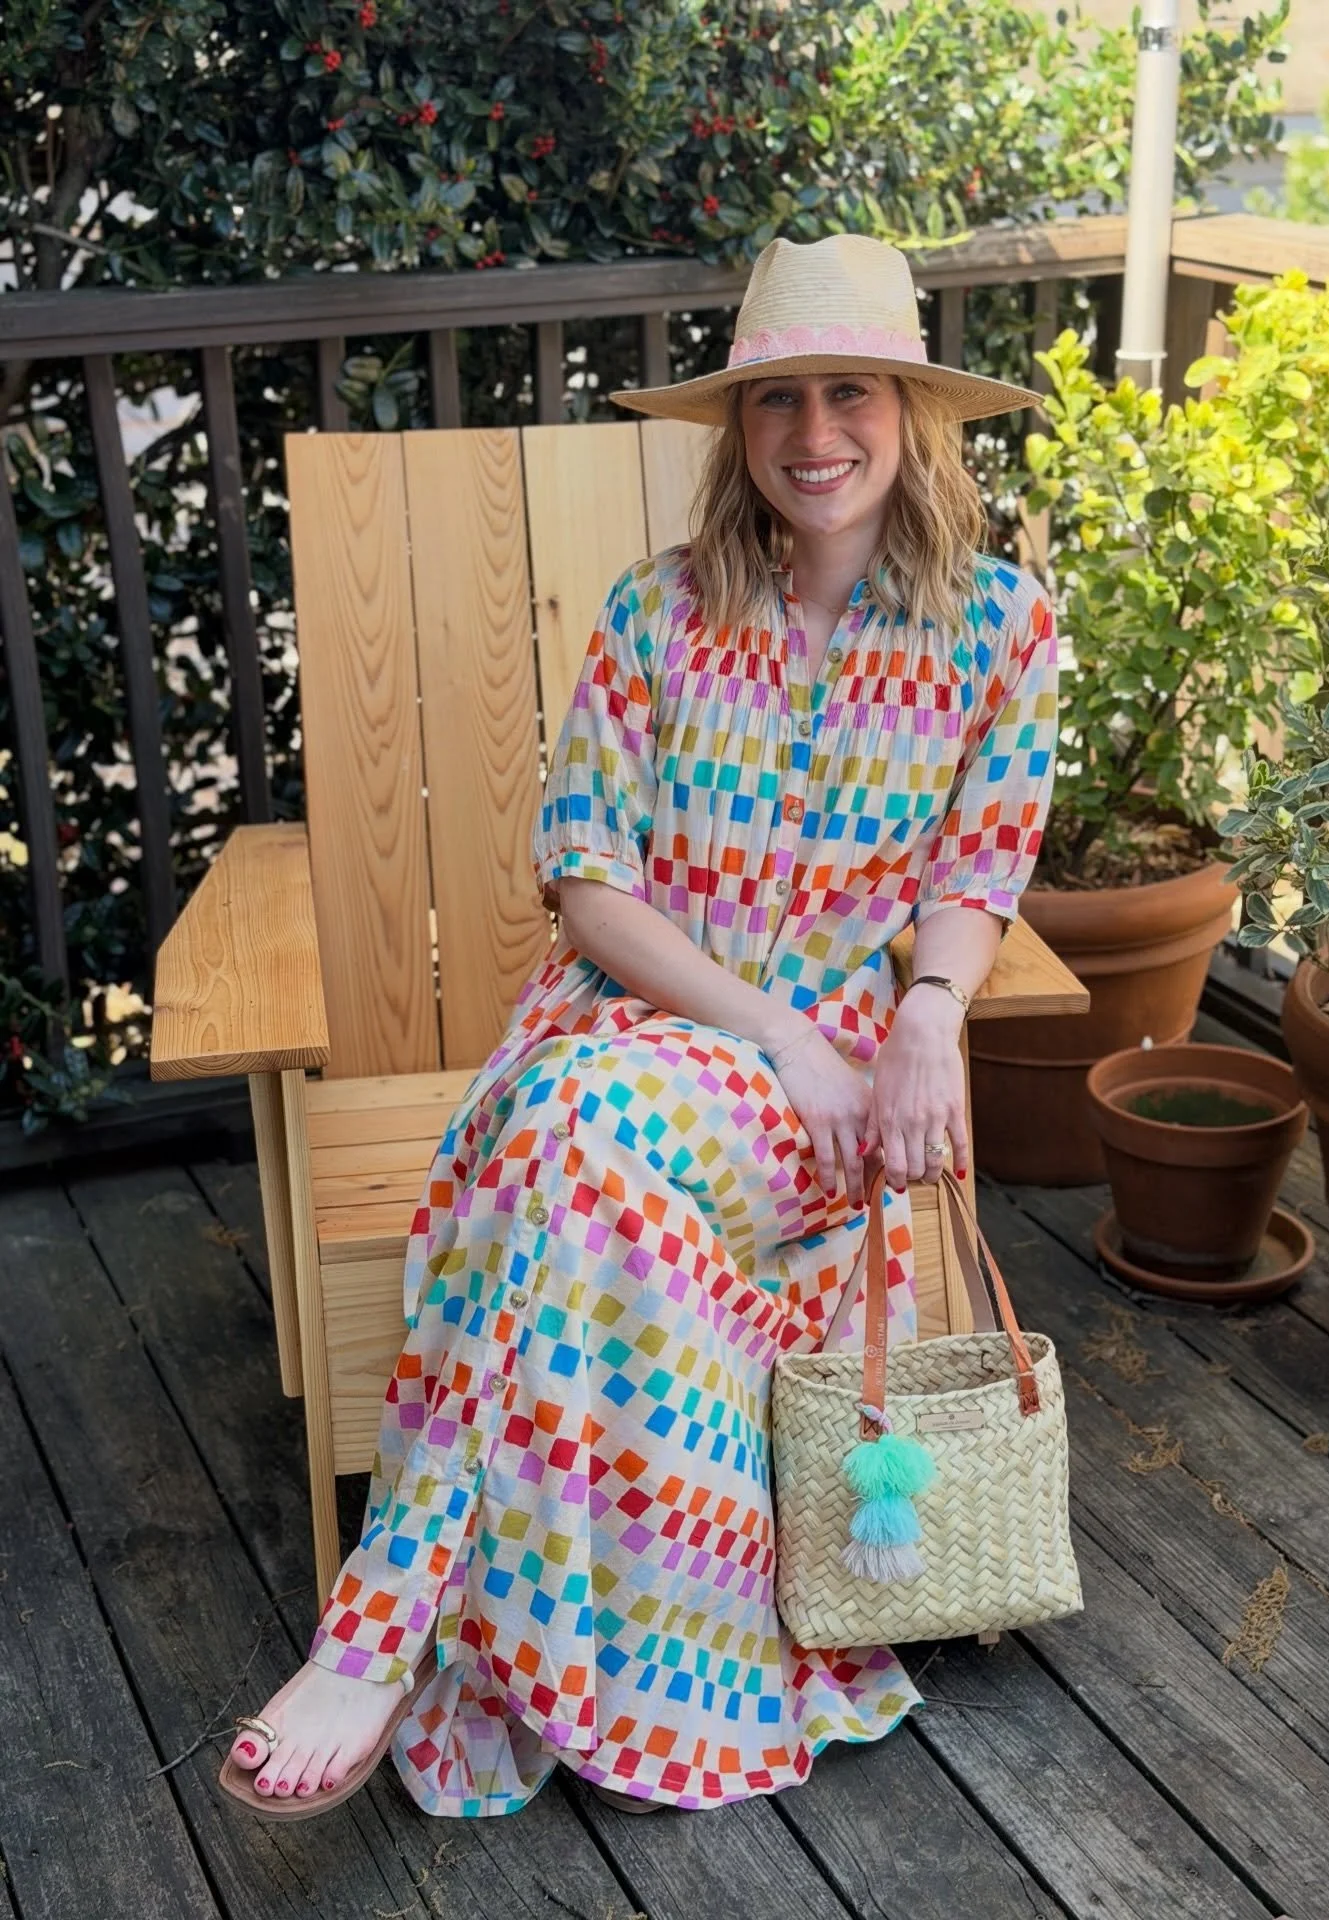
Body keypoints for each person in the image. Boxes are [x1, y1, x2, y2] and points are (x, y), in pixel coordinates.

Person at [223, 231, 1057, 1819]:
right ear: (737, 428)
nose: (815, 433)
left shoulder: (1002, 630)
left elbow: (980, 871)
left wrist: (928, 1015)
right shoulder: (658, 613)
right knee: (580, 1143)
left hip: (824, 1115)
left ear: (914, 414)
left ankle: (376, 1635)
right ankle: (481, 1648)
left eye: (852, 393)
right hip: (640, 1036)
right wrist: (778, 1033)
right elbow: (590, 887)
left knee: (563, 1141)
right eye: (777, 399)